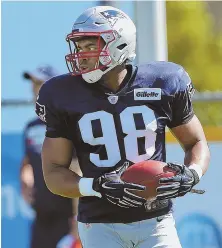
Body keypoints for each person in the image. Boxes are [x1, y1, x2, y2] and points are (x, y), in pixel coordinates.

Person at [35, 6, 210, 248]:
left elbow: (196, 142)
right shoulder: (63, 95)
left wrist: (192, 173)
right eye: (79, 47)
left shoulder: (162, 83)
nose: (81, 56)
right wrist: (95, 185)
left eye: (90, 47)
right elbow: (53, 172)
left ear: (118, 45)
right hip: (99, 224)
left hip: (156, 220)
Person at [20, 65, 80, 248]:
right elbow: (29, 160)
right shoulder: (31, 127)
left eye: (39, 83)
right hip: (42, 215)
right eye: (33, 84)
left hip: (66, 216)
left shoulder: (71, 124)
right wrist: (25, 180)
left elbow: (78, 169)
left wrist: (77, 217)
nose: (33, 89)